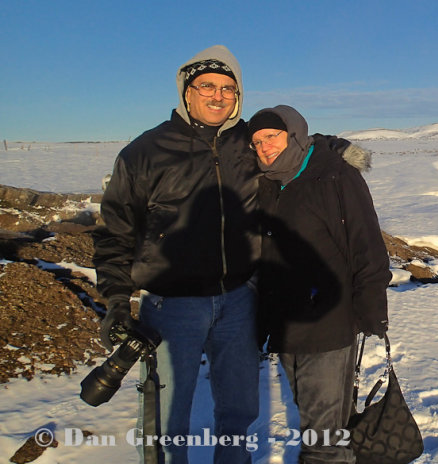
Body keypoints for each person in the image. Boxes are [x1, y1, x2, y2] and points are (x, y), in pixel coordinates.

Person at [93, 45, 261, 464]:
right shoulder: (145, 151)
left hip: (240, 299)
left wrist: (340, 150)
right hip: (172, 306)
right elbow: (115, 231)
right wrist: (116, 300)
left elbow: (294, 144)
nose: (217, 96)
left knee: (239, 413)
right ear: (187, 92)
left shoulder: (249, 144)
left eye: (227, 87)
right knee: (166, 422)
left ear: (238, 95)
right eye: (206, 86)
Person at [248, 105, 391, 464]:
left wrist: (371, 306)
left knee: (321, 440)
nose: (264, 147)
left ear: (294, 135)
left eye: (272, 137)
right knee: (323, 427)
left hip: (329, 323)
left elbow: (366, 242)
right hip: (286, 326)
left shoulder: (334, 176)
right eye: (257, 141)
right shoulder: (267, 183)